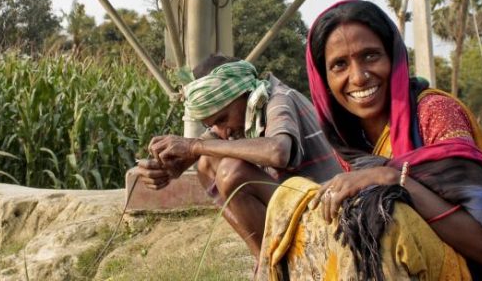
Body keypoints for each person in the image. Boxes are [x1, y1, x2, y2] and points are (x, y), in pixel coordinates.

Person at [257, 0, 482, 280]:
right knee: (290, 194)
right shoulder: (349, 140)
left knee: (385, 216)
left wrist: (393, 179)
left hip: (471, 273)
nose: (358, 76)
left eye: (370, 56)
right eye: (340, 65)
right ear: (324, 79)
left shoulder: (434, 113)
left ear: (393, 57)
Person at [135, 55, 344, 257]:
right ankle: (265, 262)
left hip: (328, 213)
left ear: (243, 93)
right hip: (302, 208)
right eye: (213, 125)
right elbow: (205, 146)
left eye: (223, 119)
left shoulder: (278, 98)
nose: (223, 131)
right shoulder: (246, 111)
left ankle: (269, 270)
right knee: (207, 162)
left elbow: (277, 152)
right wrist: (170, 168)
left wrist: (194, 147)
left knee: (232, 173)